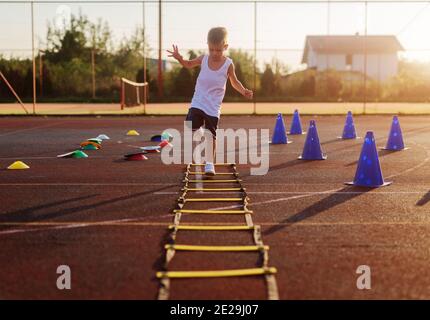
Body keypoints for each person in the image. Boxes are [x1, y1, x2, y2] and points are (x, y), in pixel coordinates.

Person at [167, 27, 253, 176]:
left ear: (225, 47)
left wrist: (243, 90)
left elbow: (234, 82)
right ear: (207, 45)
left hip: (213, 107)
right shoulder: (203, 59)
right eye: (211, 49)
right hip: (198, 101)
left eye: (218, 50)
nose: (214, 53)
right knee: (191, 127)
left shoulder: (228, 64)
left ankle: (209, 164)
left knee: (211, 135)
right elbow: (188, 64)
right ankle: (200, 133)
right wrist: (179, 58)